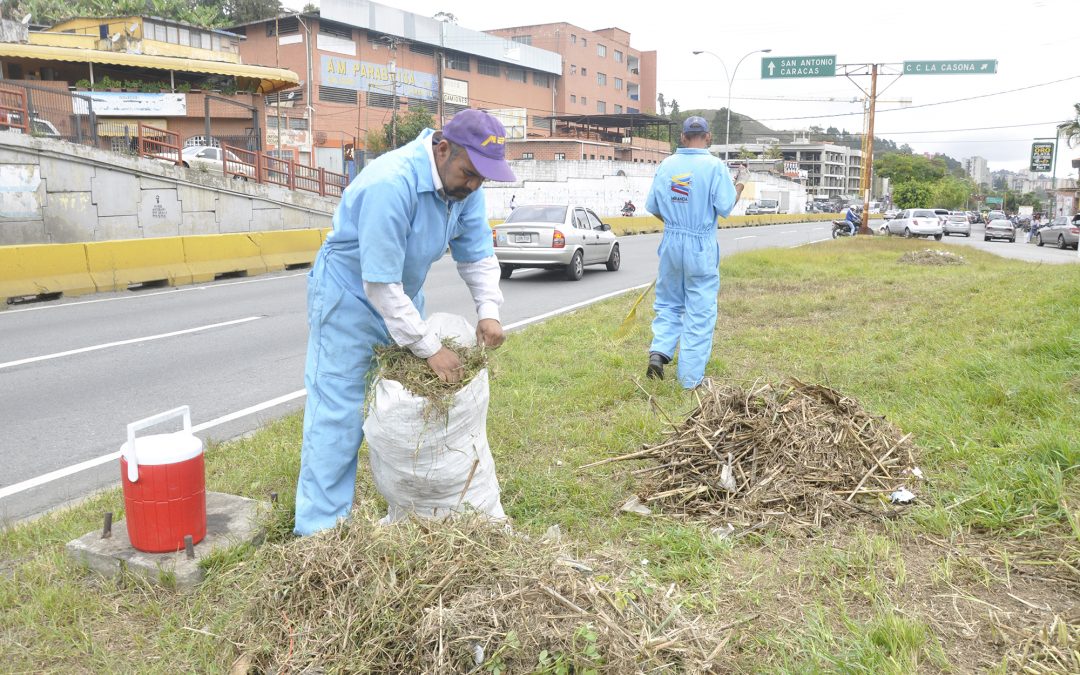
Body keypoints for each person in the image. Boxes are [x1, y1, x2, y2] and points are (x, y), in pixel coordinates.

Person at [294, 109, 517, 536]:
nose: (472, 186)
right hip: (350, 297)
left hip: (403, 297)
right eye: (468, 173)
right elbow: (378, 284)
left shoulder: (465, 189)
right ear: (442, 148)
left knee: (404, 408)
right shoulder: (389, 184)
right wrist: (429, 347)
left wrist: (488, 310)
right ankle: (319, 533)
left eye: (481, 180)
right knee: (337, 414)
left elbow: (477, 253)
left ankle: (414, 513)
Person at [644, 116, 744, 388]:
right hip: (700, 244)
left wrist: (676, 225)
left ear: (683, 137)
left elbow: (652, 206)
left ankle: (659, 351)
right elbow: (724, 207)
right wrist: (739, 187)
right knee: (699, 310)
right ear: (708, 137)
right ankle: (689, 379)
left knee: (668, 302)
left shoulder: (667, 165)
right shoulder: (714, 166)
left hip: (672, 240)